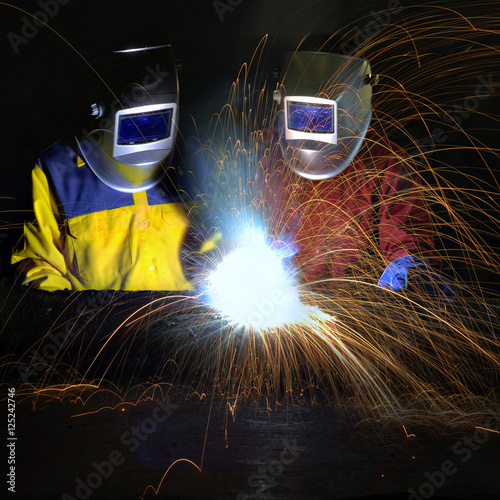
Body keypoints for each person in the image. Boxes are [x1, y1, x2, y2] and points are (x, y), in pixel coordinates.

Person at [11, 43, 216, 292]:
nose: (144, 143)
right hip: (96, 330)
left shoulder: (195, 161)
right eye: (133, 127)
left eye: (156, 123)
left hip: (183, 329)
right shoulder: (55, 171)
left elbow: (218, 248)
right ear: (101, 113)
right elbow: (38, 271)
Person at [258, 44, 453, 304]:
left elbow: (406, 233)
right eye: (301, 117)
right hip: (277, 301)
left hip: (356, 306)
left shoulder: (385, 162)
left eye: (321, 119)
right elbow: (232, 215)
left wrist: (407, 263)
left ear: (351, 109)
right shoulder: (263, 150)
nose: (312, 129)